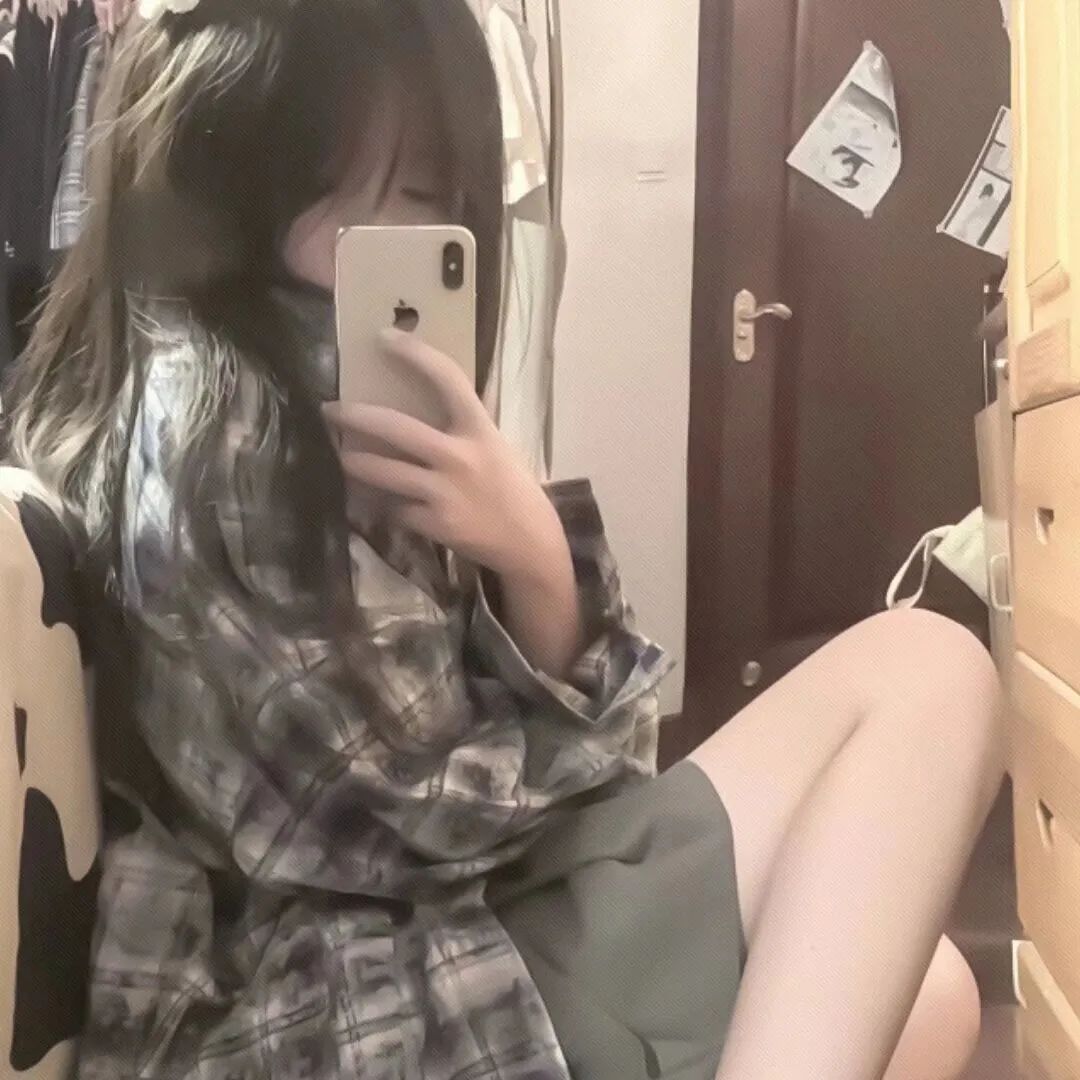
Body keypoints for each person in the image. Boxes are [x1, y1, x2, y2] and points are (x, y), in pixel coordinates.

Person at [4, 0, 1004, 1077]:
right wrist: (539, 567)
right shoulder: (213, 426)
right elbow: (413, 825)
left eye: (445, 198)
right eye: (408, 188)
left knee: (933, 990)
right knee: (931, 671)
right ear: (251, 159)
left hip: (426, 930)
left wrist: (533, 565)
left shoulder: (288, 386)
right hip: (347, 996)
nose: (435, 227)